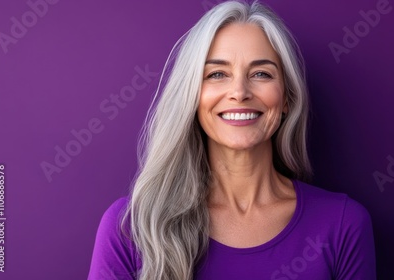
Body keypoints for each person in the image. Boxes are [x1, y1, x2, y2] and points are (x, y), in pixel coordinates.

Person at [88, 1, 376, 279]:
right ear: (193, 96)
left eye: (261, 73)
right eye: (217, 74)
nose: (239, 91)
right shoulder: (130, 227)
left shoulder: (342, 224)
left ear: (287, 98)